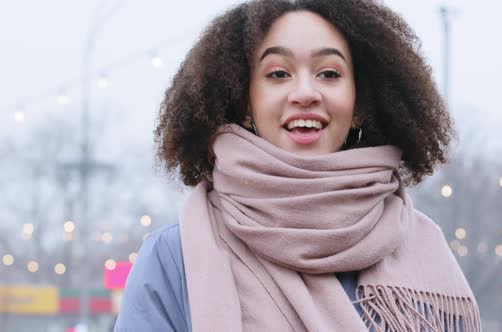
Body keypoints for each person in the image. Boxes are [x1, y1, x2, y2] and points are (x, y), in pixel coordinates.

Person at [114, 0, 481, 331]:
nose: (305, 93)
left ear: (360, 107)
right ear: (245, 104)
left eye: (329, 73)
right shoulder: (173, 256)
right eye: (278, 74)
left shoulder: (421, 248)